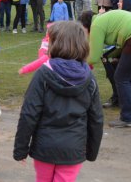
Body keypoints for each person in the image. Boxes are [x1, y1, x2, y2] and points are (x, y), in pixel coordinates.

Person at [13, 21, 103, 182]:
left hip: (47, 148)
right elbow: (96, 119)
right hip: (69, 148)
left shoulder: (45, 74)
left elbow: (29, 113)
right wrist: (91, 150)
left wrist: (21, 149)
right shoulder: (88, 78)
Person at [82, 6, 131, 128]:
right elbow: (119, 45)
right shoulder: (105, 19)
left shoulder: (96, 24)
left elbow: (93, 57)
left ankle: (127, 118)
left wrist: (76, 61)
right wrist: (110, 55)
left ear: (86, 25)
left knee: (121, 77)